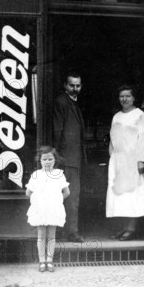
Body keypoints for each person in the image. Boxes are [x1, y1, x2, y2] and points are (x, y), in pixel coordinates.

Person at [106, 85, 144, 241]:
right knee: (119, 196)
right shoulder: (116, 116)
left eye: (128, 96)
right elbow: (112, 138)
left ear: (134, 98)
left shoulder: (140, 116)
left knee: (131, 194)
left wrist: (140, 160)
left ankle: (131, 229)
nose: (124, 99)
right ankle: (123, 228)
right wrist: (113, 155)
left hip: (133, 160)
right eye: (121, 96)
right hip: (118, 160)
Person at [53, 70, 86, 243]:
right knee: (68, 197)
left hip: (74, 158)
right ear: (65, 86)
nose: (75, 88)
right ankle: (67, 233)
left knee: (72, 197)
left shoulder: (73, 103)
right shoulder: (61, 102)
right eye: (72, 85)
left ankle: (69, 231)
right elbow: (58, 130)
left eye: (78, 85)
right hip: (66, 159)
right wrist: (58, 157)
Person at [26, 146, 70, 272]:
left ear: (55, 160)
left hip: (53, 208)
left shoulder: (59, 174)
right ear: (39, 160)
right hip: (41, 208)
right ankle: (42, 261)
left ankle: (49, 261)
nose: (47, 162)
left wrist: (56, 200)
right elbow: (28, 193)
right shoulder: (36, 175)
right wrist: (40, 199)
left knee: (51, 235)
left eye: (50, 159)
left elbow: (66, 192)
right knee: (41, 235)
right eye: (44, 159)